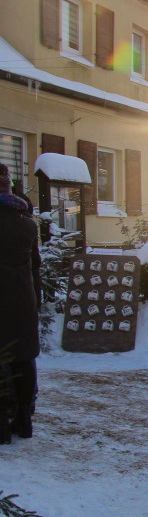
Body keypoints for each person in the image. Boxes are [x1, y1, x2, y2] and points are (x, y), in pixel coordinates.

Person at [0, 165, 40, 444]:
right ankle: (24, 421)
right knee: (23, 359)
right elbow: (35, 265)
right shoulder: (27, 224)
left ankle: (1, 426)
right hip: (23, 301)